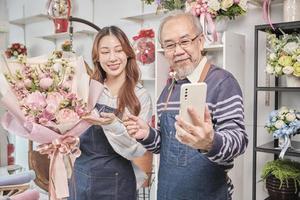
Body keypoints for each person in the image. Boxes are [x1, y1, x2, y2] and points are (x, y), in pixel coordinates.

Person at [124, 11, 248, 200]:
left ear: (200, 41)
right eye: (170, 45)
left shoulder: (222, 82)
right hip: (168, 194)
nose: (178, 51)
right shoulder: (169, 88)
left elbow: (239, 140)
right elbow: (167, 147)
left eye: (185, 41)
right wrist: (147, 134)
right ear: (164, 51)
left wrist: (210, 142)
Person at [69, 26, 152, 200]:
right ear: (97, 57)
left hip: (117, 183)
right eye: (105, 52)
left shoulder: (139, 95)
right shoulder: (85, 90)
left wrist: (113, 125)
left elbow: (137, 150)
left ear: (128, 53)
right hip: (80, 177)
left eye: (118, 50)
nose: (112, 58)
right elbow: (72, 134)